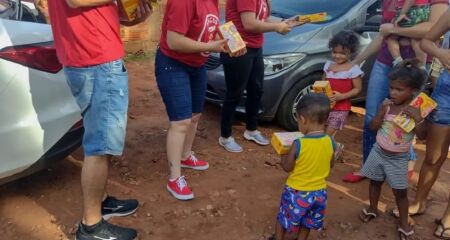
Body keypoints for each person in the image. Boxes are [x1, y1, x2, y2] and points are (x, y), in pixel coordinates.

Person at [47, 1, 151, 240]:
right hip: (96, 61)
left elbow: (94, 12)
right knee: (100, 146)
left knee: (101, 139)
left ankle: (102, 203)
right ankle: (91, 227)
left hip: (95, 59)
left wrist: (132, 18)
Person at [343, 0, 449, 183]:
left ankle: (404, 163)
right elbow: (382, 36)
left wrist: (394, 30)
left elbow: (431, 29)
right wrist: (355, 62)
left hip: (417, 67)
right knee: (372, 116)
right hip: (385, 62)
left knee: (405, 119)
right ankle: (369, 167)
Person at [155, 0, 246, 200]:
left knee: (195, 116)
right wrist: (210, 46)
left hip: (197, 65)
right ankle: (174, 178)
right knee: (181, 122)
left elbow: (207, 30)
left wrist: (230, 42)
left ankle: (186, 156)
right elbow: (173, 41)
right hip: (173, 63)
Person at [392, 9, 450, 239]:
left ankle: (448, 217)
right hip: (446, 93)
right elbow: (426, 41)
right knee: (433, 157)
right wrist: (441, 54)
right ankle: (419, 203)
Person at [358, 60, 426, 240]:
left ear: (412, 90)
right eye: (391, 88)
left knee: (400, 193)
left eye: (399, 89)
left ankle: (404, 222)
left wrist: (418, 119)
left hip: (398, 158)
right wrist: (380, 113)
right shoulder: (387, 105)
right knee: (374, 182)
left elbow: (424, 136)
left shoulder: (416, 110)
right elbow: (372, 127)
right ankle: (373, 208)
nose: (393, 92)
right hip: (378, 151)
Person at [218, 0, 297, 153]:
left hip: (255, 47)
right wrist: (277, 27)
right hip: (238, 44)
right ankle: (225, 136)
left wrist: (284, 22)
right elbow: (249, 24)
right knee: (234, 93)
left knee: (256, 90)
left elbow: (262, 19)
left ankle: (251, 130)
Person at [269, 93, 335, 240]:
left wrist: (282, 152)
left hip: (296, 192)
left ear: (303, 120)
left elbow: (287, 167)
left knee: (283, 217)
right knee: (308, 221)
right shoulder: (331, 142)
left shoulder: (299, 143)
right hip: (319, 193)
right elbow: (330, 165)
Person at [324, 30, 363, 159]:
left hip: (341, 108)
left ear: (351, 52)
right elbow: (323, 82)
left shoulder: (353, 69)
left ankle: (335, 148)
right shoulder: (328, 66)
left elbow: (357, 89)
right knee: (323, 133)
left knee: (328, 134)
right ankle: (334, 147)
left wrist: (342, 96)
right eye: (334, 52)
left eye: (342, 53)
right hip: (326, 106)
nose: (337, 56)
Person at [386, 0, 430, 68]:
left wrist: (402, 13)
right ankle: (421, 67)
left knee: (391, 37)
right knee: (416, 40)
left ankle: (398, 62)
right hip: (423, 10)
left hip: (411, 12)